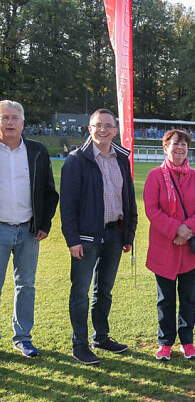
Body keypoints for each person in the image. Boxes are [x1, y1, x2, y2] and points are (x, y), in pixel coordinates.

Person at [60, 108, 137, 365]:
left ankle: (101, 337)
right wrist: (73, 240)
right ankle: (80, 345)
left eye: (108, 126)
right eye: (98, 125)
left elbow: (128, 198)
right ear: (89, 128)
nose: (103, 130)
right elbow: (67, 206)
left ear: (115, 130)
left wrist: (128, 233)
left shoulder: (122, 159)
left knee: (104, 290)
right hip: (86, 238)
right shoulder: (76, 160)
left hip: (115, 235)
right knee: (80, 292)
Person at [144, 129, 195, 361]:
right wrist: (175, 229)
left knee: (188, 298)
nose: (179, 148)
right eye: (175, 144)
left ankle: (187, 341)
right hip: (164, 248)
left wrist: (186, 230)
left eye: (183, 145)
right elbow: (152, 210)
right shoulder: (155, 176)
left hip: (190, 249)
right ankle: (165, 342)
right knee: (165, 299)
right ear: (166, 148)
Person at [0, 100, 58, 357]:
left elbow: (49, 192)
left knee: (26, 286)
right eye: (4, 117)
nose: (9, 122)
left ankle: (23, 338)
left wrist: (44, 224)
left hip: (28, 231)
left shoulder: (37, 151)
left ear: (23, 123)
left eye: (14, 117)